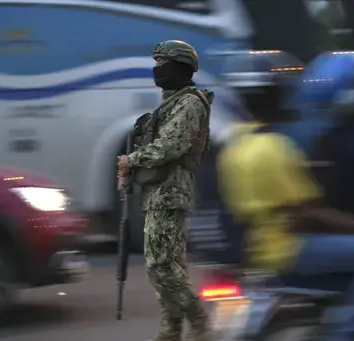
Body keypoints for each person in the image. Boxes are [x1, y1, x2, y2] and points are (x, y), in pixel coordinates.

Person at [217, 51, 354, 341]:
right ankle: (350, 332)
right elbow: (311, 212)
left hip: (260, 245)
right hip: (288, 248)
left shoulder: (235, 144)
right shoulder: (274, 147)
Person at [117, 40, 214, 341]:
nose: (157, 69)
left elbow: (172, 146)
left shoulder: (190, 103)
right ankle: (170, 331)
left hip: (171, 193)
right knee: (170, 268)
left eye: (163, 63)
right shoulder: (170, 103)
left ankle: (200, 323)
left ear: (180, 67)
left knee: (160, 267)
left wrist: (130, 160)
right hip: (158, 193)